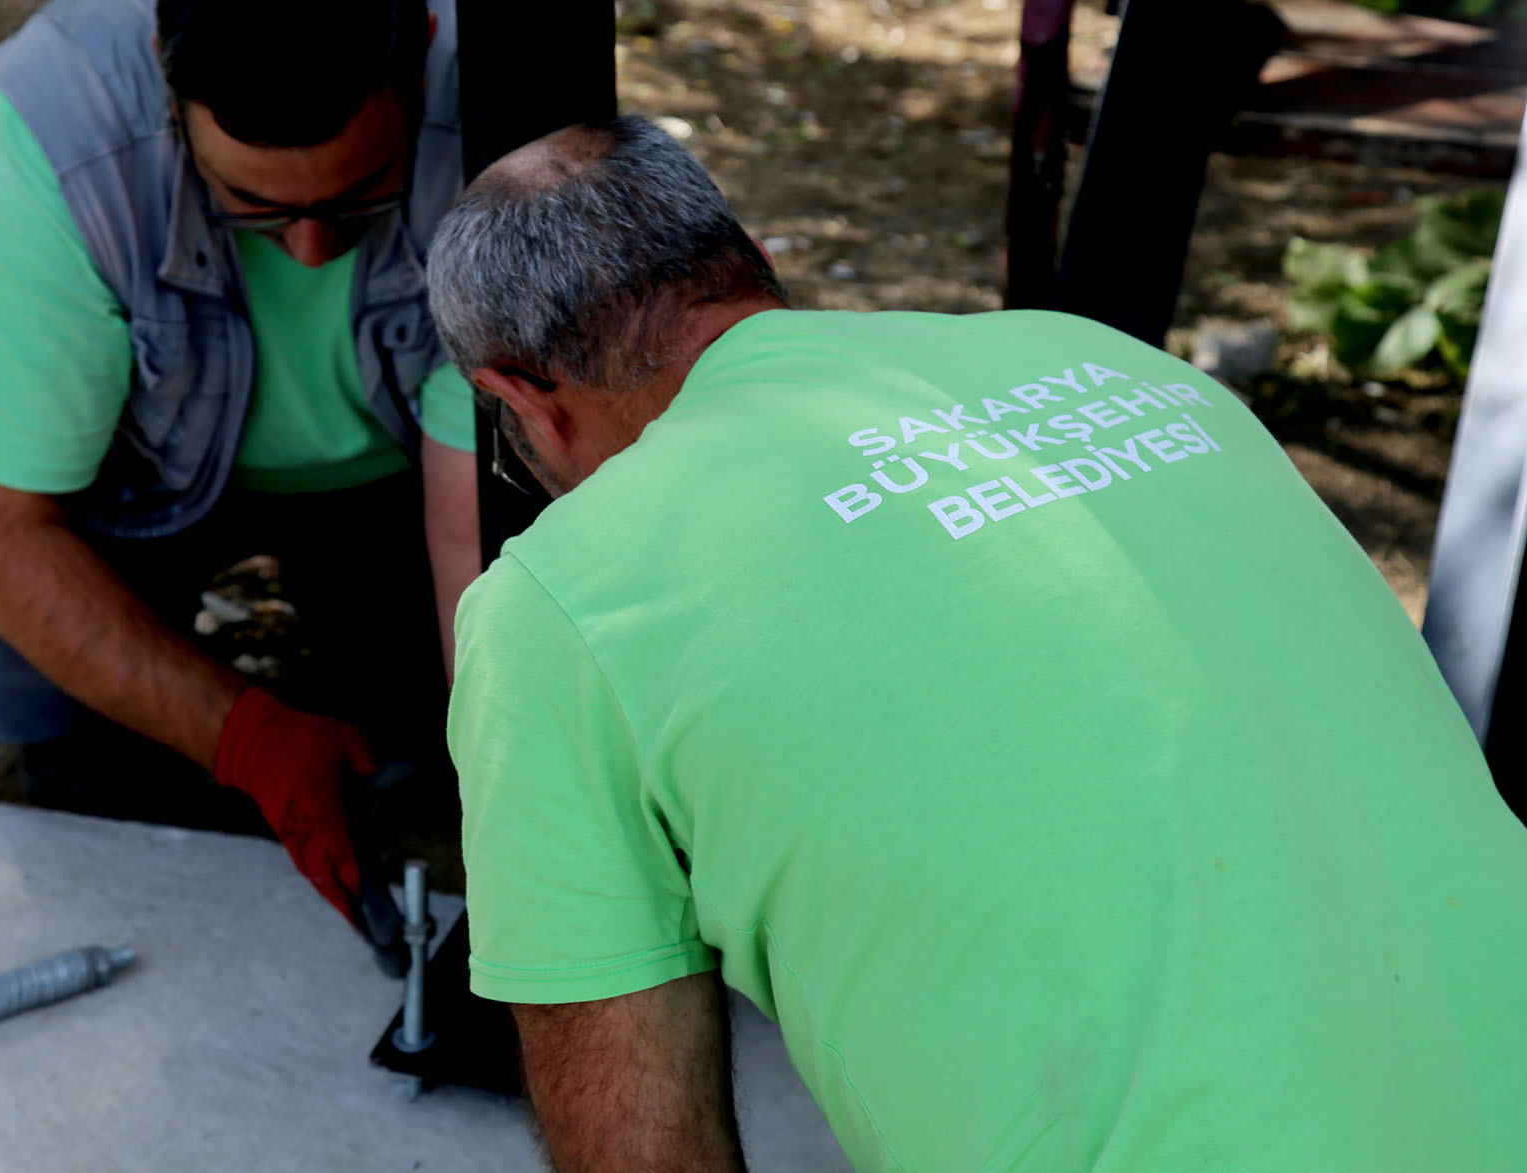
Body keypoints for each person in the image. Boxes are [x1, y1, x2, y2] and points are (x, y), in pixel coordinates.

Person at [427, 116, 1527, 1171]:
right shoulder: (1105, 363)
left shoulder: (558, 598)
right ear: (749, 262)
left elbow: (639, 1141)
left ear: (516, 399)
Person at [0, 0, 480, 934]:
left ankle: (365, 644)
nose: (309, 250)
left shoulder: (512, 94)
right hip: (129, 482)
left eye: (358, 195)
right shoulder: (59, 130)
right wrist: (247, 738)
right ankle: (160, 731)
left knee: (441, 712)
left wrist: (499, 767)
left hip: (400, 479)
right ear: (168, 72)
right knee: (9, 672)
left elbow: (477, 521)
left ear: (418, 55)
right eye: (256, 206)